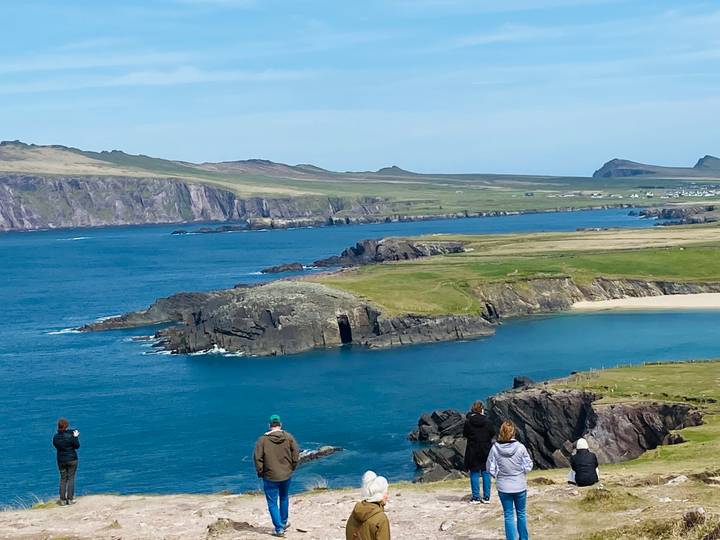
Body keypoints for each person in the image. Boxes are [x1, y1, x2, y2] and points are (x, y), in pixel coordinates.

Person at [253, 414, 299, 538]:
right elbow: (296, 453)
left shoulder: (262, 440)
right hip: (286, 474)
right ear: (280, 424)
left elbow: (257, 458)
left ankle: (279, 529)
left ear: (269, 426)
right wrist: (292, 467)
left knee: (272, 502)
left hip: (270, 476)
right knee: (284, 497)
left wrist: (261, 472)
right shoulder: (289, 437)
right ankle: (283, 522)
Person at [486, 420, 533, 540]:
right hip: (519, 485)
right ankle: (524, 538)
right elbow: (528, 465)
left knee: (508, 515)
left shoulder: (495, 448)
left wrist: (497, 475)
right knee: (521, 514)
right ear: (513, 433)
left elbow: (489, 467)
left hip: (503, 486)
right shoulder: (520, 447)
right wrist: (521, 471)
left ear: (501, 432)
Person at [463, 400, 494, 503]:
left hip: (473, 449)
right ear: (482, 409)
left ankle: (476, 497)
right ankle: (486, 497)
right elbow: (492, 433)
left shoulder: (468, 422)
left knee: (474, 472)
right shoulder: (488, 422)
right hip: (486, 448)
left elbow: (465, 434)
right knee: (486, 472)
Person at [346, 475, 391, 540]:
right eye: (386, 493)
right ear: (380, 495)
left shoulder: (354, 513)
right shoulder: (381, 518)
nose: (387, 496)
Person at [52, 418, 80, 506]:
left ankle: (62, 500)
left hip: (61, 460)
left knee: (63, 479)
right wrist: (75, 437)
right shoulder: (70, 437)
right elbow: (77, 446)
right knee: (71, 479)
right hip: (72, 459)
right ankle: (70, 499)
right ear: (66, 426)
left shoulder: (55, 437)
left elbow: (56, 445)